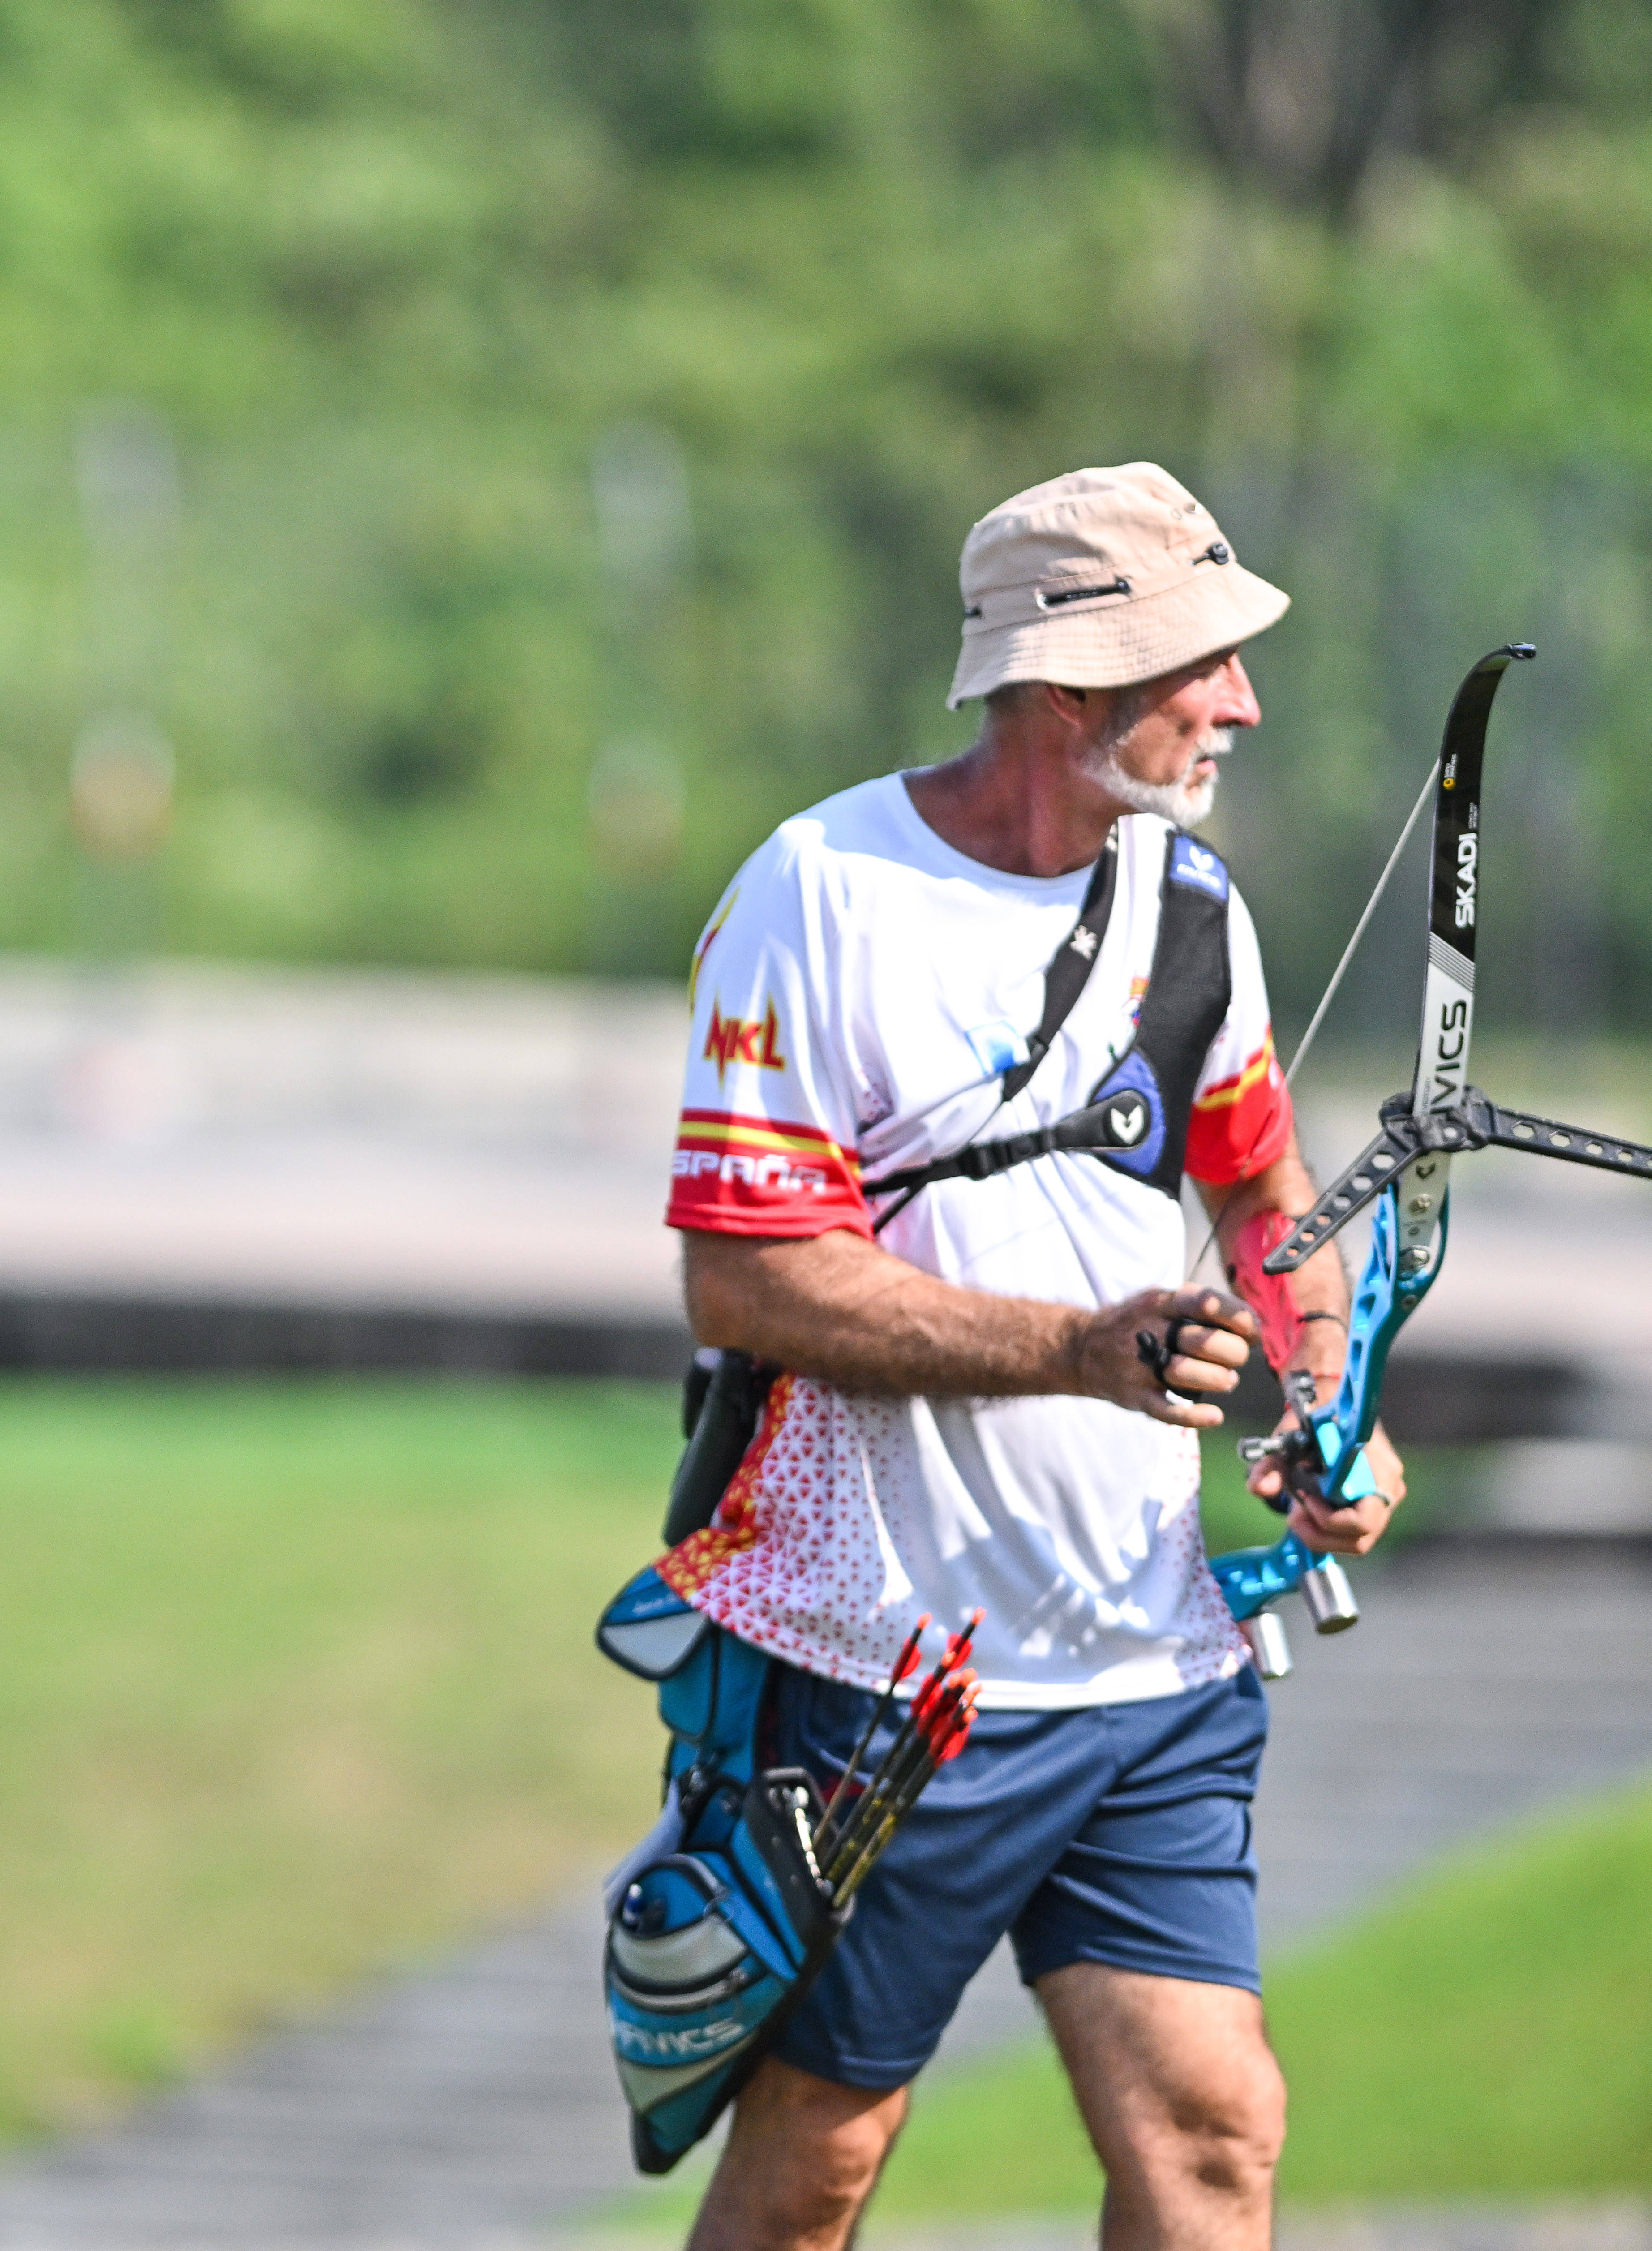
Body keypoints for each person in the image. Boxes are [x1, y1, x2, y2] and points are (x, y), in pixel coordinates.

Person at [657, 463, 1406, 2251]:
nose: (1241, 700)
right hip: (880, 1661)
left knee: (1216, 2132)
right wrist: (1081, 1347)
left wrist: (1327, 1397)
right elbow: (746, 1278)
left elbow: (1263, 1194)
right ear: (1070, 690)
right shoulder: (819, 892)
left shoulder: (1197, 908)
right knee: (814, 2172)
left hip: (1146, 1650)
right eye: (1199, 664)